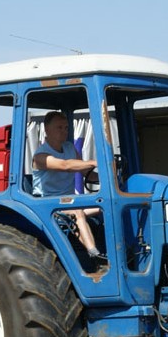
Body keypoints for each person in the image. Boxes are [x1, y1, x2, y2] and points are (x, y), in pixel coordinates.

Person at [32, 111, 106, 265]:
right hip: (48, 203)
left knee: (105, 205)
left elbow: (86, 173)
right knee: (77, 211)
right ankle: (94, 254)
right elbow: (65, 165)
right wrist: (95, 162)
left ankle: (115, 250)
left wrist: (109, 178)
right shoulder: (40, 156)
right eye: (59, 127)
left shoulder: (70, 148)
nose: (64, 131)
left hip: (69, 200)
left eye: (66, 128)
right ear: (47, 130)